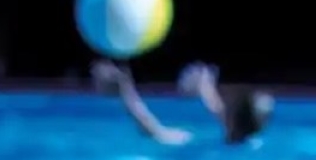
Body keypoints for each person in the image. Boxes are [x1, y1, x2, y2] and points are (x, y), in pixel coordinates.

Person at [91, 59, 274, 146]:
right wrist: (206, 86)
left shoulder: (205, 145)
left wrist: (125, 90)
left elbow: (155, 131)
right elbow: (226, 115)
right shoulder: (255, 144)